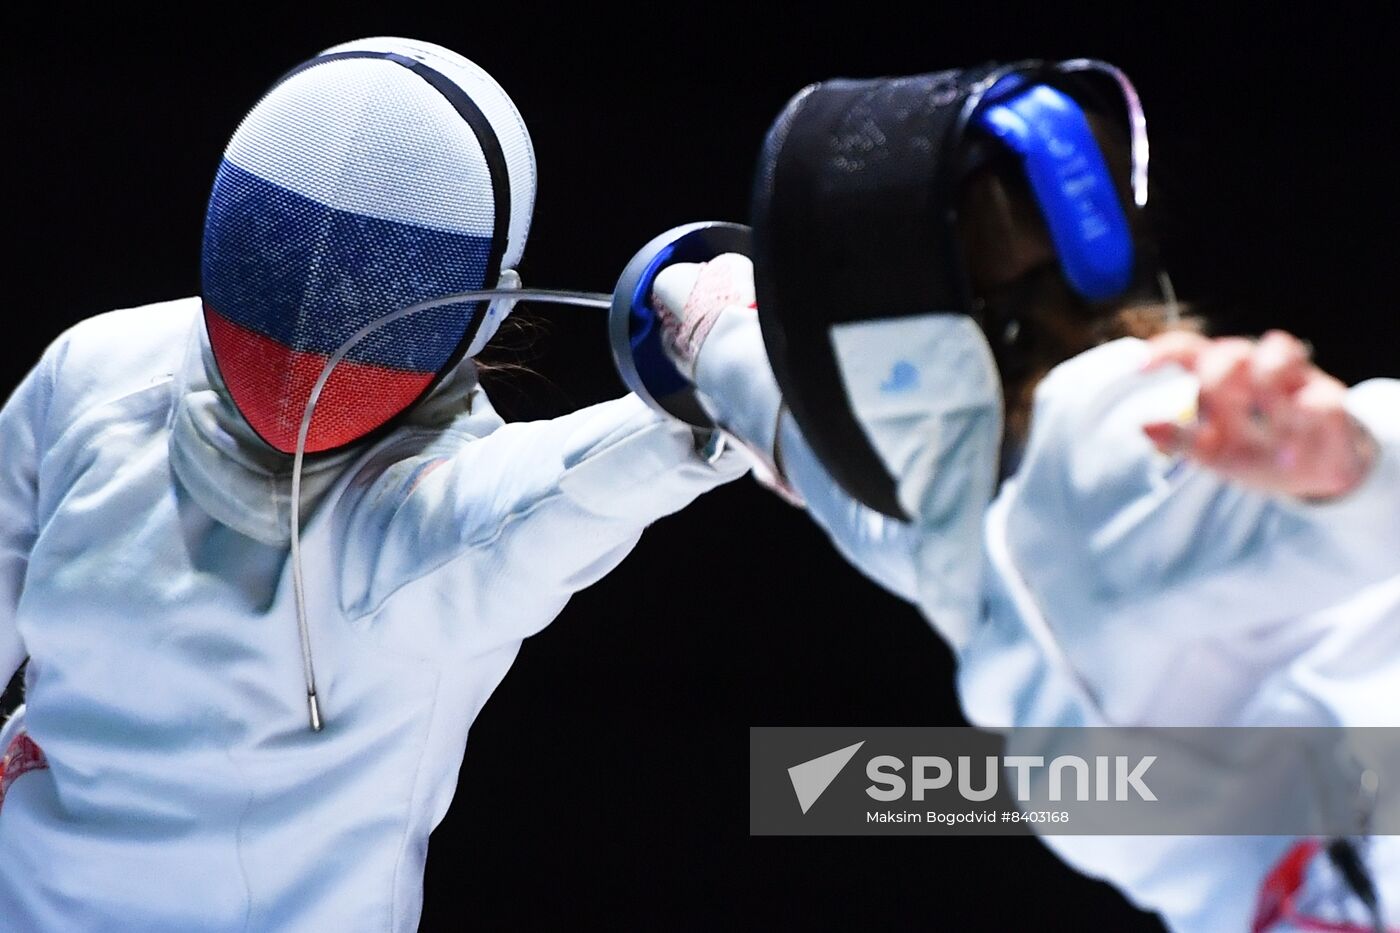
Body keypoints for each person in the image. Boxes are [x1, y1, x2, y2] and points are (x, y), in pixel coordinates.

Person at [0, 37, 746, 931]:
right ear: (488, 302)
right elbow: (613, 470)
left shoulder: (96, 370)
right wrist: (737, 358)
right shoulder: (432, 528)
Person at [650, 62, 1400, 931]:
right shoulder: (972, 522)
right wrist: (702, 333)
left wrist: (1354, 459)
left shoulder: (1114, 439)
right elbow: (823, 458)